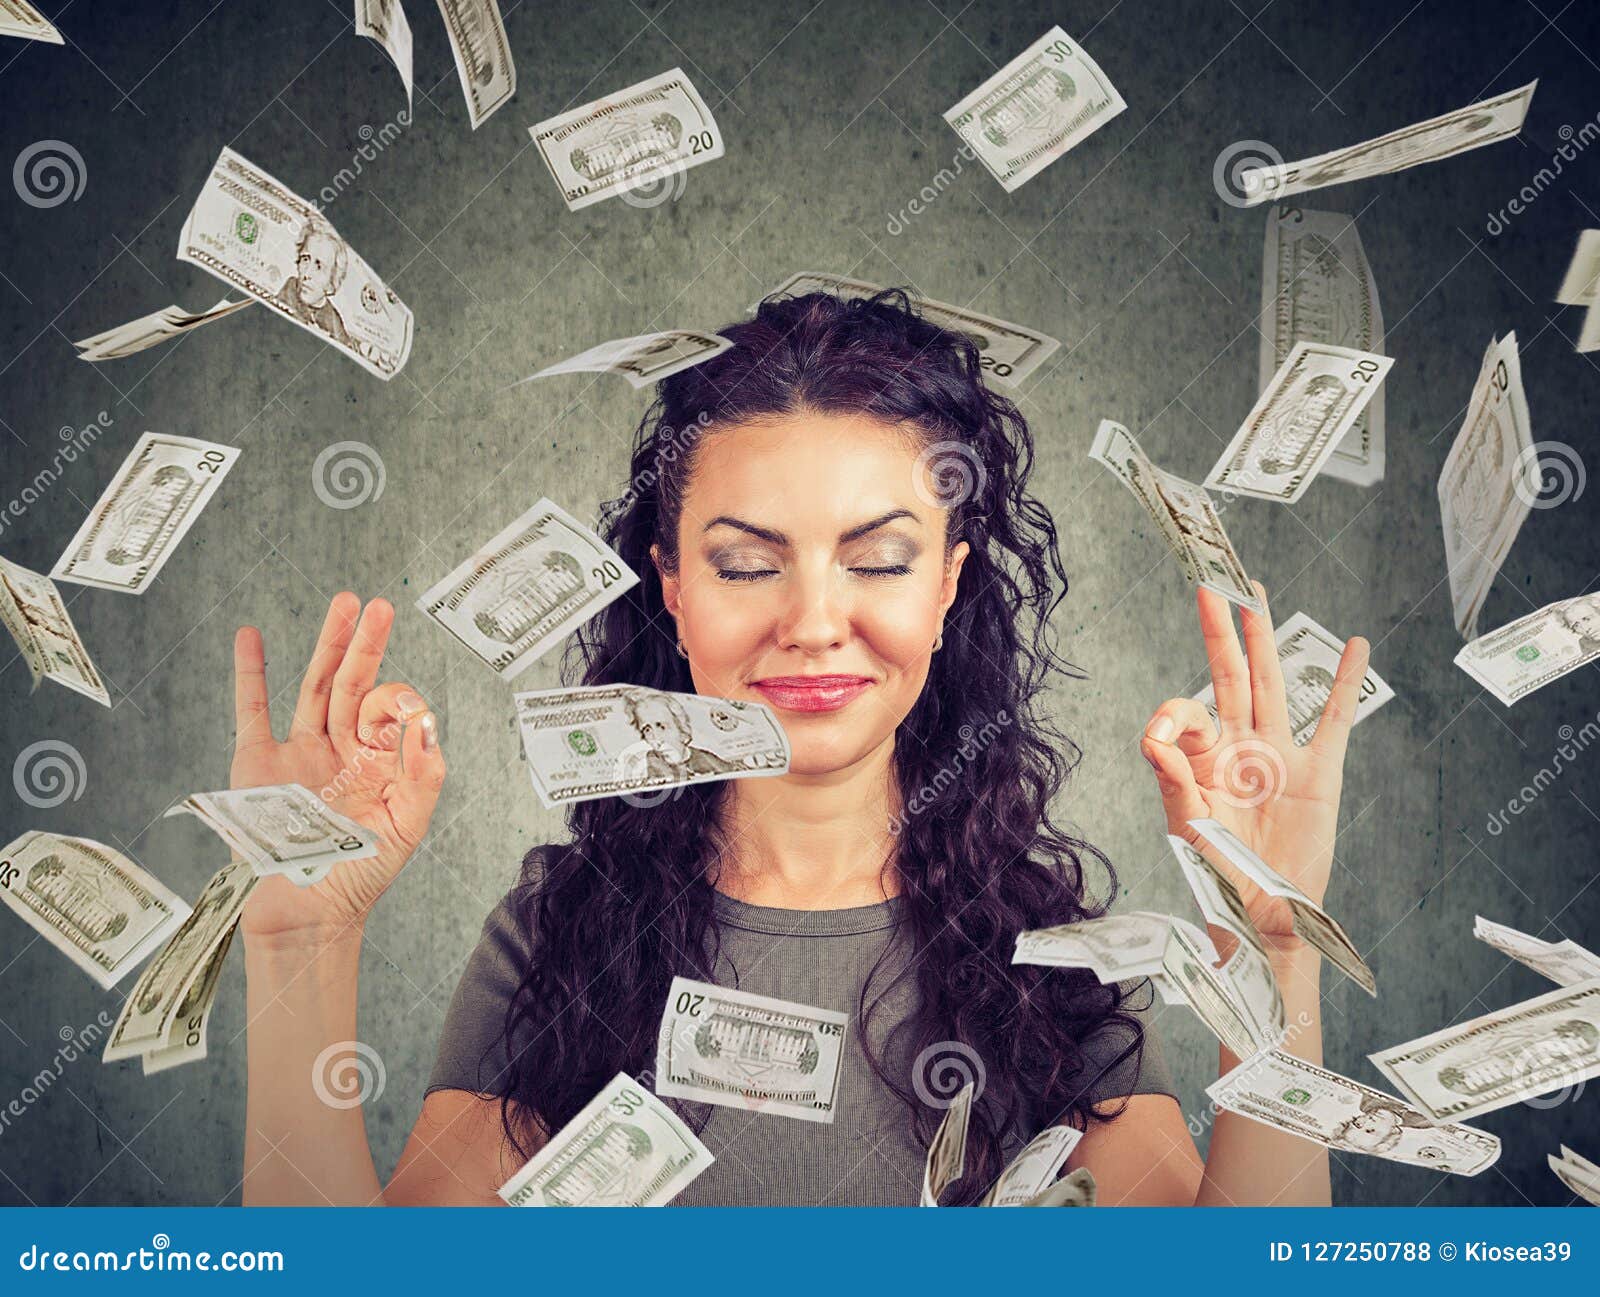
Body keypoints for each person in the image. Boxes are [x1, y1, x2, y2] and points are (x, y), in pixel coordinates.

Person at [233, 290, 1369, 1206]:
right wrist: (301, 946)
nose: (813, 619)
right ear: (672, 590)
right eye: (743, 563)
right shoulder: (558, 937)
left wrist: (1275, 953)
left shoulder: (1051, 957)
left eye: (876, 558)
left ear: (945, 586)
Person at [273, 220, 352, 349]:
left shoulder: (334, 322)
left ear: (332, 283)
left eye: (319, 267)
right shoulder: (289, 290)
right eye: (305, 259)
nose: (307, 274)